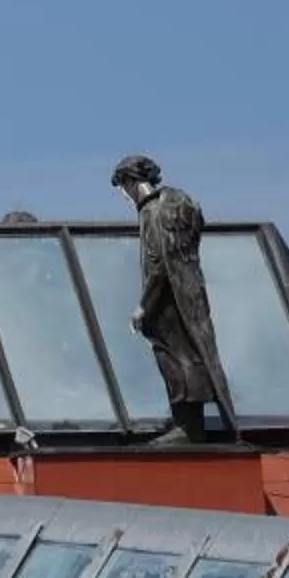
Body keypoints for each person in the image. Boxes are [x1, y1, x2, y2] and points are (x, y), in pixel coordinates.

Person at [112, 154, 236, 442]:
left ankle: (188, 425)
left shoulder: (151, 211)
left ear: (132, 181)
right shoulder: (175, 202)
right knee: (191, 353)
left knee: (172, 356)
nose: (124, 195)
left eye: (123, 187)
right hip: (190, 293)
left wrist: (143, 306)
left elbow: (157, 265)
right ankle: (190, 421)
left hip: (168, 301)